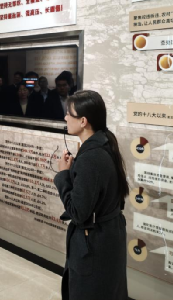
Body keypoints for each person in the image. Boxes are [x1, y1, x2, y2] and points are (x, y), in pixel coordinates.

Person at [53, 90, 128, 300]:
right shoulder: (104, 143)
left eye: (69, 113)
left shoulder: (91, 158)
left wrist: (63, 175)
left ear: (83, 121)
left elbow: (78, 212)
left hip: (94, 242)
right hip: (108, 236)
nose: (65, 118)